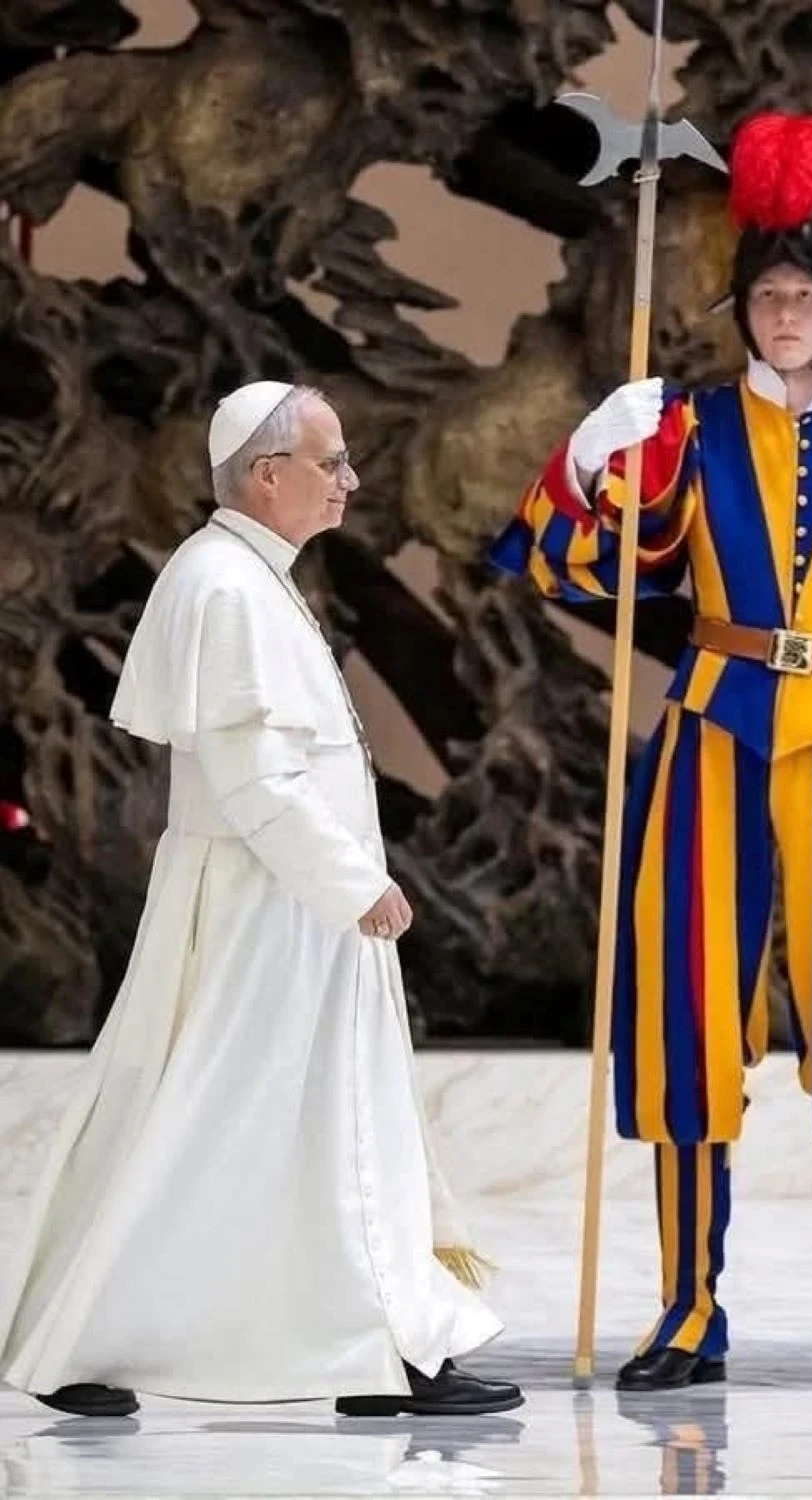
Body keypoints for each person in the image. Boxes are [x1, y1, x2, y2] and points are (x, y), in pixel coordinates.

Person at [490, 112, 812, 1392]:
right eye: (767, 297)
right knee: (685, 1012)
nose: (784, 316)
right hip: (713, 735)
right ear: (745, 308)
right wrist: (592, 460)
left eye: (802, 298)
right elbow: (586, 569)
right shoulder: (688, 429)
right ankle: (687, 1309)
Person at [0, 380, 522, 1420]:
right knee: (217, 1125)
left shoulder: (246, 574)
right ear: (268, 474)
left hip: (288, 904)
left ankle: (376, 1349)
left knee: (288, 1129)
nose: (351, 481)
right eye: (332, 462)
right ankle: (105, 1342)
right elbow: (256, 779)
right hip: (270, 911)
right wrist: (354, 885)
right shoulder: (228, 588)